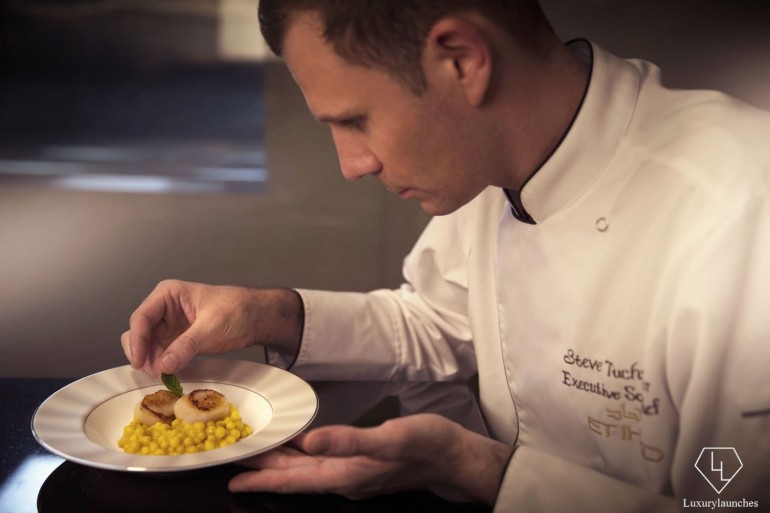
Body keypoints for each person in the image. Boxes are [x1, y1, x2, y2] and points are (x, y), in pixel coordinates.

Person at [121, 1, 770, 511]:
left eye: (355, 120)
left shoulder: (742, 205)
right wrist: (269, 313)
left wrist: (481, 469)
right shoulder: (483, 167)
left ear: (462, 59)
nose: (352, 165)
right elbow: (436, 322)